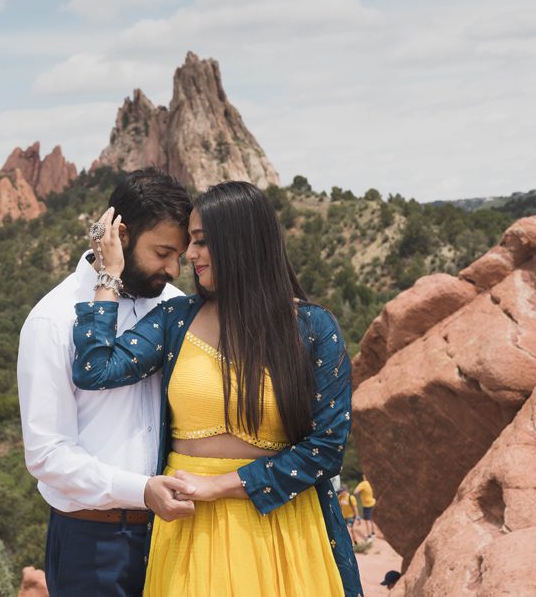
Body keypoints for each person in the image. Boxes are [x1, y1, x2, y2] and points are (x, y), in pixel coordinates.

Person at [72, 181, 363, 596]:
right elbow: (94, 369)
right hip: (190, 529)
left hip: (283, 528)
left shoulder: (313, 328)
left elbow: (327, 448)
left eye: (202, 242)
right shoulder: (176, 319)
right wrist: (108, 274)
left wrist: (220, 486)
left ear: (241, 244)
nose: (190, 256)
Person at [17, 168, 196, 597]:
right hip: (92, 544)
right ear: (121, 234)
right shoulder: (53, 318)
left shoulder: (174, 305)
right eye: (162, 252)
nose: (173, 269)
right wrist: (141, 491)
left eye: (180, 255)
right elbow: (46, 454)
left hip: (178, 535)